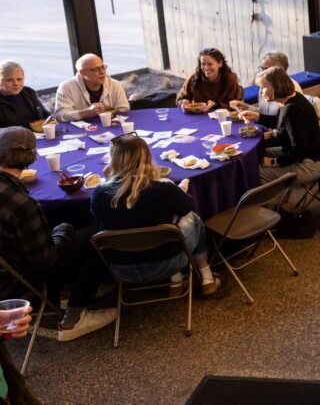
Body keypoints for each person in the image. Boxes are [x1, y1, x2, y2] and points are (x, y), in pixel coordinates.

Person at [0, 127, 115, 341]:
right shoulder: (23, 204)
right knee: (94, 235)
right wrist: (63, 229)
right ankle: (75, 318)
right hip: (14, 280)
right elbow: (46, 260)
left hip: (7, 262)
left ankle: (62, 293)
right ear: (32, 157)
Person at [90, 135, 220, 296]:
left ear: (113, 161)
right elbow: (188, 207)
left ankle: (177, 279)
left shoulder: (99, 193)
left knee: (149, 228)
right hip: (167, 263)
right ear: (147, 157)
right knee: (193, 219)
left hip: (120, 269)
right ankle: (206, 276)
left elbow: (99, 220)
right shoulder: (162, 188)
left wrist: (108, 179)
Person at [243, 66, 320, 187]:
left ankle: (266, 205)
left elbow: (300, 150)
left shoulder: (292, 110)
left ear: (276, 87)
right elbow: (282, 122)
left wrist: (274, 162)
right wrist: (258, 117)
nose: (261, 92)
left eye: (263, 87)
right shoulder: (293, 99)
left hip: (311, 163)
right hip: (310, 154)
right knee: (258, 155)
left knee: (255, 173)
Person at [53, 54, 130, 122]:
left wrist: (106, 111)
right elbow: (60, 116)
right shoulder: (66, 87)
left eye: (103, 67)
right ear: (82, 73)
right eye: (96, 69)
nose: (102, 72)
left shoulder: (115, 84)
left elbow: (124, 110)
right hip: (81, 130)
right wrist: (87, 112)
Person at [176, 48, 243, 111]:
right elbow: (180, 98)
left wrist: (216, 105)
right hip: (198, 117)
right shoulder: (194, 78)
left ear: (220, 64)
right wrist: (183, 102)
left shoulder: (230, 79)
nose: (206, 68)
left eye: (210, 64)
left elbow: (236, 105)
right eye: (203, 64)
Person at [0, 61, 50, 130]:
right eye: (9, 80)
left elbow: (45, 115)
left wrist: (51, 120)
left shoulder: (29, 92)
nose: (16, 84)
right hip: (12, 139)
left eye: (19, 79)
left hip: (39, 135)